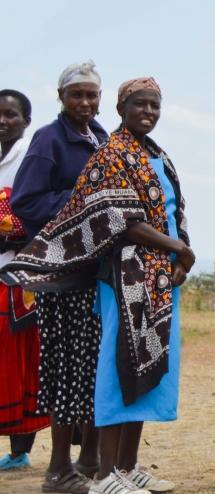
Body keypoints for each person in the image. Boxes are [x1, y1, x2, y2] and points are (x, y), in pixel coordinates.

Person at [4, 78, 194, 494]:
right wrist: (178, 248)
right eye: (140, 104)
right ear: (122, 107)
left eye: (155, 105)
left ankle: (127, 466)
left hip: (160, 276)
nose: (148, 111)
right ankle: (105, 473)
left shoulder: (154, 153)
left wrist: (180, 253)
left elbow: (173, 208)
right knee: (118, 365)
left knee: (149, 364)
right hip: (123, 276)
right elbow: (122, 218)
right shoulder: (111, 153)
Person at [9, 61, 108, 493]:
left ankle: (89, 461)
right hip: (61, 276)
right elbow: (27, 201)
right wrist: (84, 202)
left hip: (95, 274)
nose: (84, 102)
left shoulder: (101, 139)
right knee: (64, 369)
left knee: (92, 369)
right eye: (76, 95)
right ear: (61, 97)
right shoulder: (49, 140)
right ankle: (57, 469)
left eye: (91, 95)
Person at [0, 90, 50, 471]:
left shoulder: (29, 161)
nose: (3, 121)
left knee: (20, 356)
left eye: (10, 115)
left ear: (25, 121)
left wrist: (15, 234)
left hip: (21, 273)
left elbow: (37, 212)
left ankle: (20, 450)